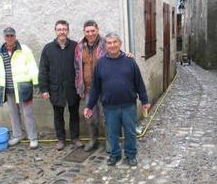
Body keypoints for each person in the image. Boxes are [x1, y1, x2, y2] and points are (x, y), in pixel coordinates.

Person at [84, 32, 151, 166]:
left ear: (120, 43)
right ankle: (115, 155)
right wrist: (89, 106)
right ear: (106, 45)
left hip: (128, 105)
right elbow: (95, 88)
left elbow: (139, 82)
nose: (112, 45)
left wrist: (145, 100)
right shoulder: (101, 63)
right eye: (109, 43)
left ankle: (131, 155)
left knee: (130, 133)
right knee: (112, 133)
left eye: (115, 42)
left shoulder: (129, 61)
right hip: (109, 107)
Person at [0, 27, 39, 149]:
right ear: (4, 37)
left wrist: (36, 83)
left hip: (24, 87)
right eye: (7, 36)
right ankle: (17, 135)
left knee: (28, 113)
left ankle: (32, 138)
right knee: (13, 113)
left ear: (15, 36)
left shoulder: (24, 49)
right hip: (8, 89)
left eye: (12, 35)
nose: (9, 38)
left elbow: (32, 66)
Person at [39, 20, 83, 150]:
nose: (62, 31)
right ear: (55, 31)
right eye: (59, 29)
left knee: (74, 113)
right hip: (55, 88)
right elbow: (43, 70)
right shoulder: (48, 48)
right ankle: (61, 139)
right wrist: (44, 89)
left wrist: (80, 86)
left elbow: (81, 66)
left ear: (67, 31)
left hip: (72, 88)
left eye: (64, 29)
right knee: (58, 115)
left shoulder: (75, 46)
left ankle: (75, 138)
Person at [74, 20, 107, 152]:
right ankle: (94, 140)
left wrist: (127, 55)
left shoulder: (106, 43)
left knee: (106, 118)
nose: (90, 33)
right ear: (84, 32)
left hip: (105, 89)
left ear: (97, 30)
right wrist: (79, 86)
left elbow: (117, 53)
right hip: (88, 90)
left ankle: (110, 141)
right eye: (88, 31)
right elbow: (77, 68)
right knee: (91, 118)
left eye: (93, 30)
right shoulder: (79, 47)